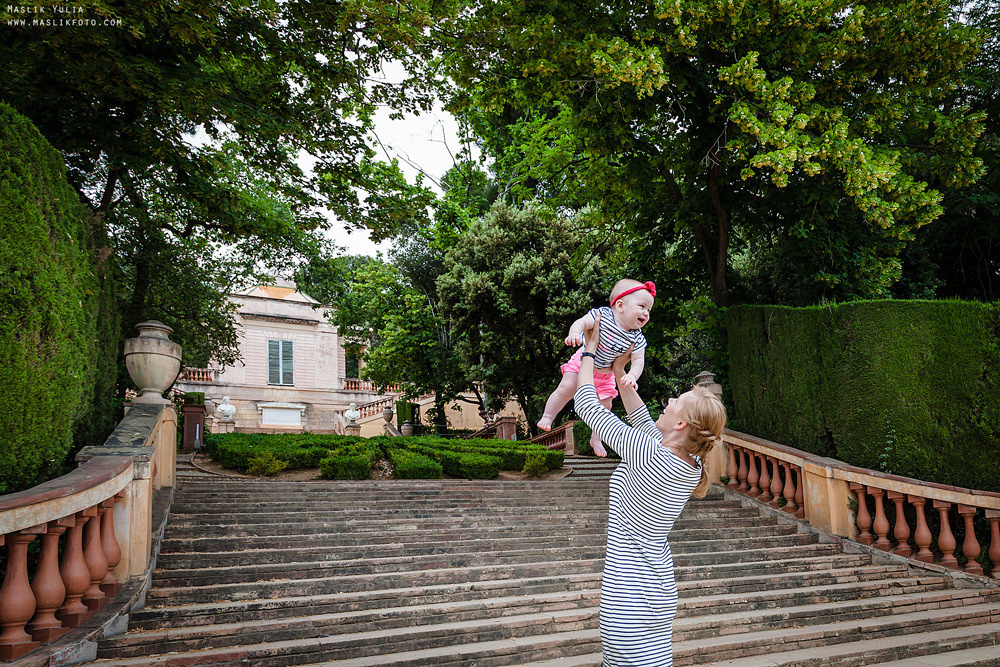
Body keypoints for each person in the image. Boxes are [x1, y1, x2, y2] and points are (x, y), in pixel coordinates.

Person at [574, 312, 727, 666]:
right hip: (656, 593)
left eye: (677, 400)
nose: (670, 400)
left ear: (680, 423)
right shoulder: (691, 465)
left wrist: (589, 353)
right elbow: (644, 424)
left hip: (628, 598)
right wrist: (617, 371)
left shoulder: (650, 454)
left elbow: (585, 404)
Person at [536, 279, 656, 457]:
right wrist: (574, 333)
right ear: (620, 306)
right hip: (583, 362)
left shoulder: (637, 338)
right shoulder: (602, 315)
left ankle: (596, 438)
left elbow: (639, 361)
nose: (646, 313)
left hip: (605, 374)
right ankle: (548, 416)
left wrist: (632, 376)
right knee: (567, 387)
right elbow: (582, 323)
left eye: (649, 310)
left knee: (606, 405)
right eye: (642, 306)